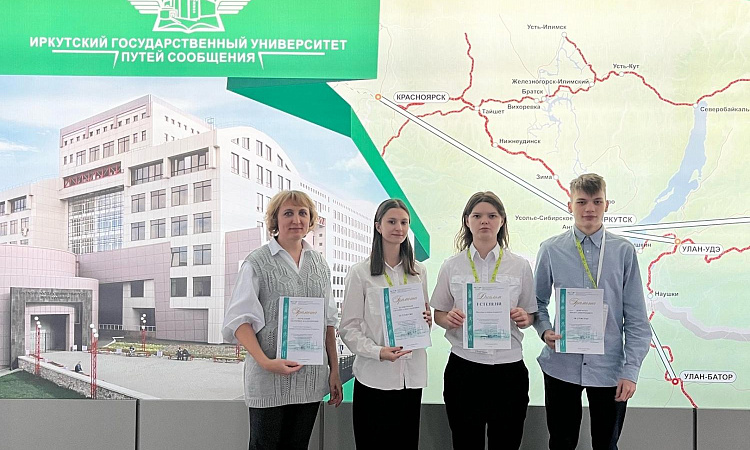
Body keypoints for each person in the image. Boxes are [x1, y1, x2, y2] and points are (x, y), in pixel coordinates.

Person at [533, 173, 651, 450]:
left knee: (606, 445)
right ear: (570, 205)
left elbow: (636, 318)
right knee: (561, 443)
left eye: (597, 201)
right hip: (561, 365)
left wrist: (631, 370)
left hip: (610, 368)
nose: (589, 209)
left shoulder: (623, 252)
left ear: (606, 205)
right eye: (582, 202)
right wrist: (545, 331)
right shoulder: (551, 249)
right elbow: (536, 302)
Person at [222, 190, 342, 450]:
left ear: (310, 220)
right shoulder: (257, 262)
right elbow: (239, 322)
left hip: (310, 381)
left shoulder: (320, 264)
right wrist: (266, 363)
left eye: (302, 213)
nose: (296, 219)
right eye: (288, 213)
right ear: (275, 219)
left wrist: (334, 371)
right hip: (268, 380)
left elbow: (328, 322)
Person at [431, 191, 536, 450]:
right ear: (467, 221)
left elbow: (530, 314)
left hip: (508, 370)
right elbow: (438, 314)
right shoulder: (451, 265)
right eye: (477, 216)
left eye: (492, 216)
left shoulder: (520, 266)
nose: (484, 221)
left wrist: (525, 317)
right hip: (464, 368)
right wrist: (448, 318)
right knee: (465, 443)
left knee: (507, 444)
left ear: (502, 221)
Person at [339, 199, 432, 449]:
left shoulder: (419, 271)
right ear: (378, 226)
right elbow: (348, 328)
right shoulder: (360, 273)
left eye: (404, 222)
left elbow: (424, 320)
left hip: (411, 378)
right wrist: (378, 352)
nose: (398, 228)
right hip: (375, 377)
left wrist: (427, 320)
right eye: (392, 221)